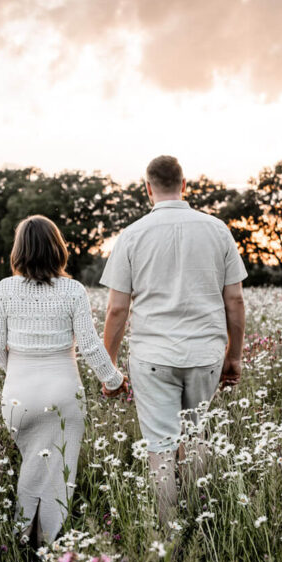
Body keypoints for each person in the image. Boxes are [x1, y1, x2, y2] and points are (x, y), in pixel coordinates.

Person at [100, 155, 247, 526]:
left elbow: (117, 309)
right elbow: (236, 299)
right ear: (185, 185)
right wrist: (234, 357)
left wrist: (108, 367)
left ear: (147, 187)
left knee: (161, 447)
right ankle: (202, 523)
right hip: (205, 354)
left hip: (152, 355)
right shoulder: (217, 230)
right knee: (197, 435)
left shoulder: (132, 235)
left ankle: (167, 536)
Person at [0, 215, 129, 546]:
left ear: (18, 250)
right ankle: (46, 545)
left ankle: (21, 543)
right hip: (63, 392)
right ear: (58, 249)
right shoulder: (73, 290)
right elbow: (91, 346)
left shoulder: (4, 289)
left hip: (19, 394)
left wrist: (18, 373)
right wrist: (114, 380)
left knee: (30, 467)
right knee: (56, 473)